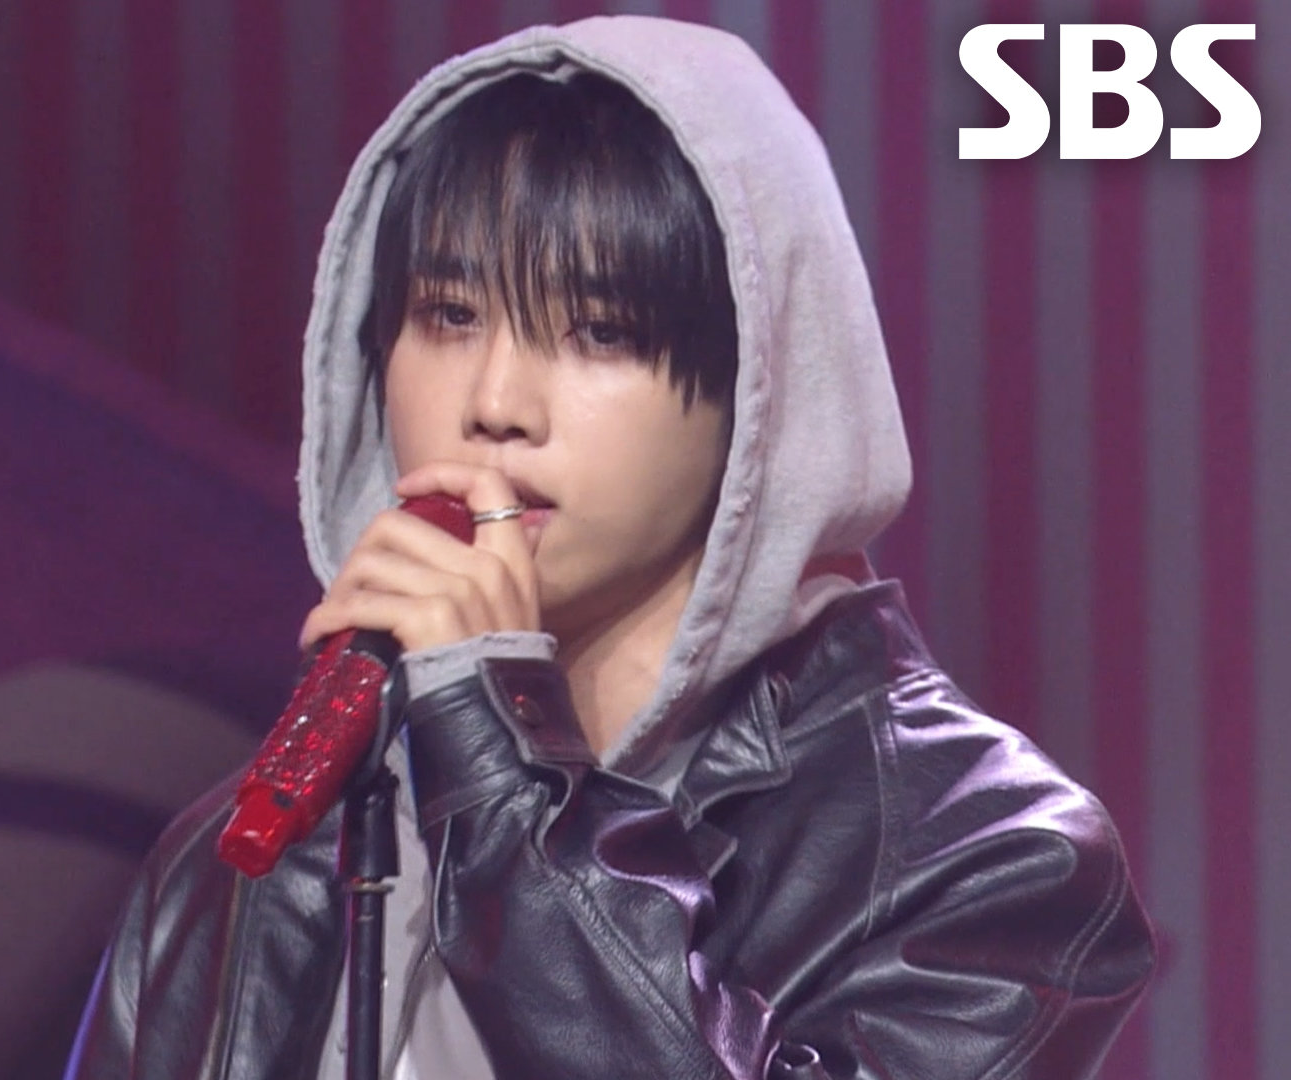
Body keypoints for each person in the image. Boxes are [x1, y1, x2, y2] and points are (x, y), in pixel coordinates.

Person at [66, 15, 1155, 1080]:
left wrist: (498, 770)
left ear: (759, 389)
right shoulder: (248, 848)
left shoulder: (994, 857)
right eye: (448, 315)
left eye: (597, 332)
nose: (496, 404)